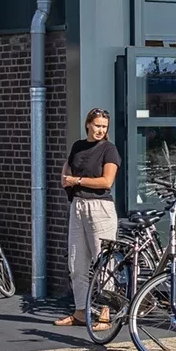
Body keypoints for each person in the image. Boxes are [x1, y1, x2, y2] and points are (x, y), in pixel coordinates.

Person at [56, 107, 123, 329]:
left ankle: (105, 312)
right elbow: (68, 167)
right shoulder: (78, 146)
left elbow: (106, 182)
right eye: (97, 126)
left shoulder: (109, 150)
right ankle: (80, 312)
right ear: (88, 125)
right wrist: (66, 177)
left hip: (100, 208)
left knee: (103, 260)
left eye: (104, 127)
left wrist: (76, 181)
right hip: (78, 206)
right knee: (76, 261)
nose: (100, 130)